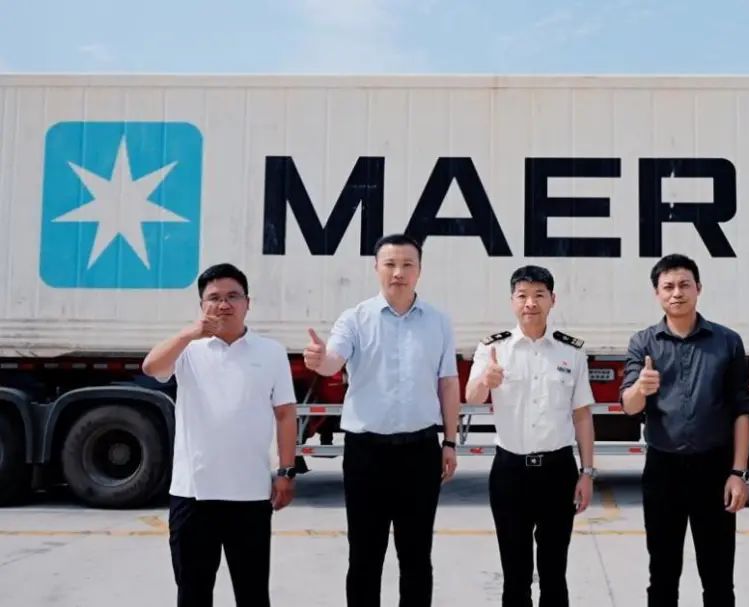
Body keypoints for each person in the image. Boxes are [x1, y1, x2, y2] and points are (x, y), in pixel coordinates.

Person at [303, 233, 459, 607]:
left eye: (407, 264)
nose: (398, 272)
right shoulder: (355, 319)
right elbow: (333, 360)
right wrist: (319, 360)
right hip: (366, 455)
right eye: (390, 264)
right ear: (376, 268)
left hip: (420, 452)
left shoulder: (438, 321)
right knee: (364, 556)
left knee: (416, 556)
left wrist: (450, 442)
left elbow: (448, 383)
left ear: (419, 270)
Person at [142, 263, 298, 607]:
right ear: (202, 306)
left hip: (250, 494)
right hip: (193, 494)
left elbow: (286, 414)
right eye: (214, 298)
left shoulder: (270, 352)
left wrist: (286, 471)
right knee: (193, 593)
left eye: (233, 296)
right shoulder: (187, 350)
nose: (224, 305)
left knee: (253, 594)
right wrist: (189, 334)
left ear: (247, 303)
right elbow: (151, 367)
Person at [619, 253, 749, 607]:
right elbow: (629, 405)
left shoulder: (727, 341)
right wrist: (641, 388)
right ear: (657, 293)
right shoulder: (643, 343)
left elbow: (741, 410)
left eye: (684, 285)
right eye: (668, 287)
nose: (676, 293)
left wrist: (738, 473)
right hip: (663, 470)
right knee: (662, 574)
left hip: (715, 469)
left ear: (698, 289)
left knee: (718, 575)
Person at [464, 265, 597, 607]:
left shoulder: (571, 351)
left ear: (553, 300)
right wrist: (486, 380)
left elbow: (582, 415)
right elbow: (471, 397)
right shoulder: (494, 348)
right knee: (515, 575)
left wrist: (587, 473)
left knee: (554, 573)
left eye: (539, 295)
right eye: (522, 295)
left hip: (558, 472)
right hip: (510, 472)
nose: (530, 303)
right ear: (512, 301)